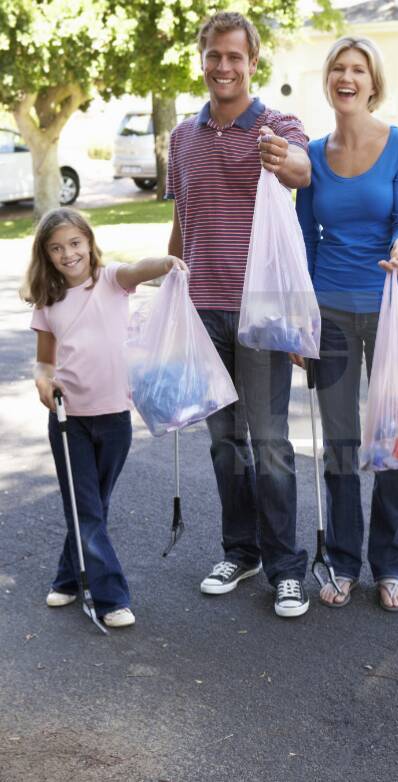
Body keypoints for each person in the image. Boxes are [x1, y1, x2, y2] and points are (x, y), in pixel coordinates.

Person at [166, 12, 312, 618]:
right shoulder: (181, 137)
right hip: (202, 310)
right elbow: (182, 220)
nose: (224, 67)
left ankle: (284, 567)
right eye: (213, 56)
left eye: (235, 57)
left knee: (271, 443)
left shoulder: (277, 125)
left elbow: (304, 170)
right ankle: (240, 550)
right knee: (225, 444)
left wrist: (281, 158)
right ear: (201, 60)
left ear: (253, 62)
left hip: (262, 314)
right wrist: (168, 293)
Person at [296, 37, 398, 611]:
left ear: (374, 83)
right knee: (341, 442)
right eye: (339, 69)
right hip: (329, 313)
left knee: (394, 437)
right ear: (329, 81)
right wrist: (300, 319)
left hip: (394, 308)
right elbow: (303, 239)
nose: (347, 77)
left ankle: (390, 565)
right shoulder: (311, 154)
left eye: (359, 70)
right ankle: (344, 561)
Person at [21, 207, 187, 628]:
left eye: (75, 243)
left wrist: (166, 263)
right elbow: (44, 363)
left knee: (94, 505)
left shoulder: (111, 280)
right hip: (68, 418)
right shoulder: (49, 301)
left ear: (89, 243)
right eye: (57, 248)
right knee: (87, 508)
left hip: (114, 418)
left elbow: (137, 269)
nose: (68, 254)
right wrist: (42, 382)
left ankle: (68, 576)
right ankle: (111, 598)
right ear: (46, 255)